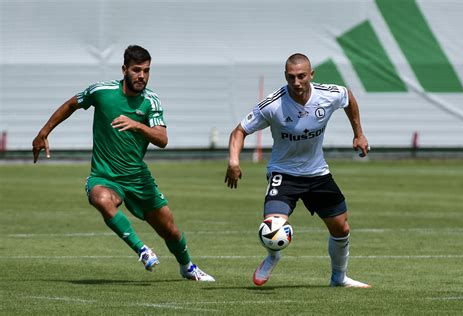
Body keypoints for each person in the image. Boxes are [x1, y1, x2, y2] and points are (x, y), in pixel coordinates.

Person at [32, 45, 214, 282]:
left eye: (147, 70)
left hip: (137, 178)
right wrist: (44, 132)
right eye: (137, 70)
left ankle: (188, 266)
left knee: (169, 229)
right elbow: (70, 105)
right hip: (104, 176)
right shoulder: (101, 91)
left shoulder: (151, 101)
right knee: (100, 198)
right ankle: (142, 250)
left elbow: (162, 139)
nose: (142, 76)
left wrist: (137, 125)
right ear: (124, 69)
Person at [225, 53, 371, 287]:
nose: (296, 82)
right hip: (284, 174)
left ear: (311, 75)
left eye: (302, 76)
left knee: (341, 227)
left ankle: (339, 278)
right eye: (291, 77)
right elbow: (239, 131)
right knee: (273, 225)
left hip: (317, 174)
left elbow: (348, 97)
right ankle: (273, 255)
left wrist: (359, 134)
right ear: (285, 76)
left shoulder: (328, 95)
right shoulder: (273, 105)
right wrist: (234, 161)